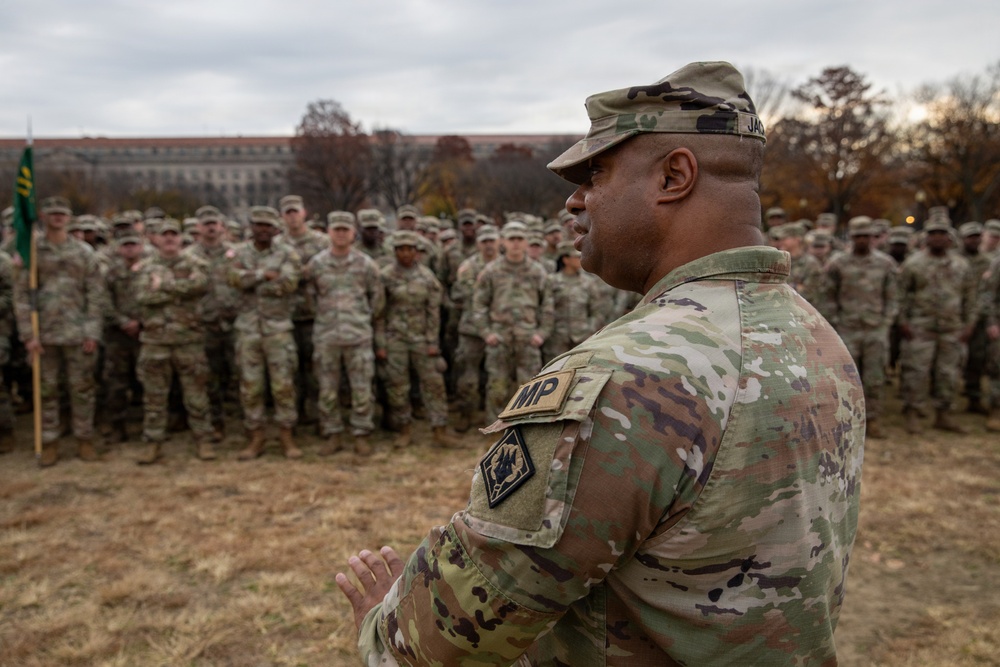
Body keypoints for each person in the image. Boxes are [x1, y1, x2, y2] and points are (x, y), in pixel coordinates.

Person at [336, 61, 866, 666]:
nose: (574, 200)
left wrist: (386, 626)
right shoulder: (815, 337)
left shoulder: (627, 379)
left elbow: (450, 638)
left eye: (598, 174)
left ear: (674, 175)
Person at [14, 196, 106, 467]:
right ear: (43, 217)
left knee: (82, 389)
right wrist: (28, 335)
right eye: (52, 213)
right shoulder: (32, 252)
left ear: (69, 218)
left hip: (78, 332)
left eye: (62, 214)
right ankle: (50, 441)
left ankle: (84, 439)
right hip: (44, 333)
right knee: (47, 390)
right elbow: (21, 296)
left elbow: (95, 293)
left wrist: (92, 331)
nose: (57, 218)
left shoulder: (84, 252)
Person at [133, 219, 215, 463]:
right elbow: (143, 296)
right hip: (155, 340)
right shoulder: (145, 267)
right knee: (154, 396)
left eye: (174, 235)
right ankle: (153, 442)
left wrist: (164, 286)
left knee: (196, 393)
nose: (169, 239)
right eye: (164, 235)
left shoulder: (196, 263)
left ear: (181, 239)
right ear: (155, 239)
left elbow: (199, 286)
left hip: (188, 339)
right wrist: (179, 290)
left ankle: (204, 440)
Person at [305, 211, 384, 456]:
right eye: (336, 229)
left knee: (361, 388)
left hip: (357, 336)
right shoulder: (316, 264)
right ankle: (334, 434)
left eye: (345, 230)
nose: (340, 234)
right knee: (327, 389)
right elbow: (310, 299)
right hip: (327, 337)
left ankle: (361, 433)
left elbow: (377, 299)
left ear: (353, 234)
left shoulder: (365, 264)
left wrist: (360, 320)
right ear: (329, 232)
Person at [227, 206, 303, 460]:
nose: (262, 229)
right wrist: (264, 275)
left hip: (277, 330)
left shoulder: (287, 253)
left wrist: (254, 281)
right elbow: (233, 279)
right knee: (251, 386)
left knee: (283, 385)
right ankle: (256, 437)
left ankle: (286, 436)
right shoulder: (239, 252)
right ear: (251, 227)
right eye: (258, 224)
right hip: (248, 330)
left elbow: (290, 284)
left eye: (267, 225)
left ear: (275, 229)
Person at [375, 230, 460, 449]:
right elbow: (379, 313)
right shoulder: (385, 277)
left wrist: (433, 342)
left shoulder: (427, 277)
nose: (405, 253)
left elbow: (433, 312)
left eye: (409, 249)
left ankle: (439, 430)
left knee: (434, 383)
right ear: (394, 251)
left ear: (416, 252)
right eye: (400, 249)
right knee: (397, 385)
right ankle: (404, 429)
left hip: (422, 339)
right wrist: (381, 344)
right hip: (395, 340)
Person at [897, 216, 977, 434]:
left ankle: (944, 414)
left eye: (942, 233)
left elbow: (970, 297)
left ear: (949, 237)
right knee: (916, 372)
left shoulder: (961, 265)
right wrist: (902, 322)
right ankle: (913, 413)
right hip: (920, 329)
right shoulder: (913, 264)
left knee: (949, 373)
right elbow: (900, 295)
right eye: (933, 233)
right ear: (927, 237)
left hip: (952, 329)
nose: (938, 238)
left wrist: (969, 324)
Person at [822, 216, 899, 438]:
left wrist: (886, 323)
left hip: (876, 329)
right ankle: (846, 419)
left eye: (866, 236)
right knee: (846, 378)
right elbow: (828, 296)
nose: (863, 240)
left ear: (872, 237)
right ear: (852, 237)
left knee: (875, 376)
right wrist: (834, 324)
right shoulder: (838, 263)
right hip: (847, 329)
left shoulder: (885, 264)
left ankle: (873, 419)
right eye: (858, 236)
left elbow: (893, 297)